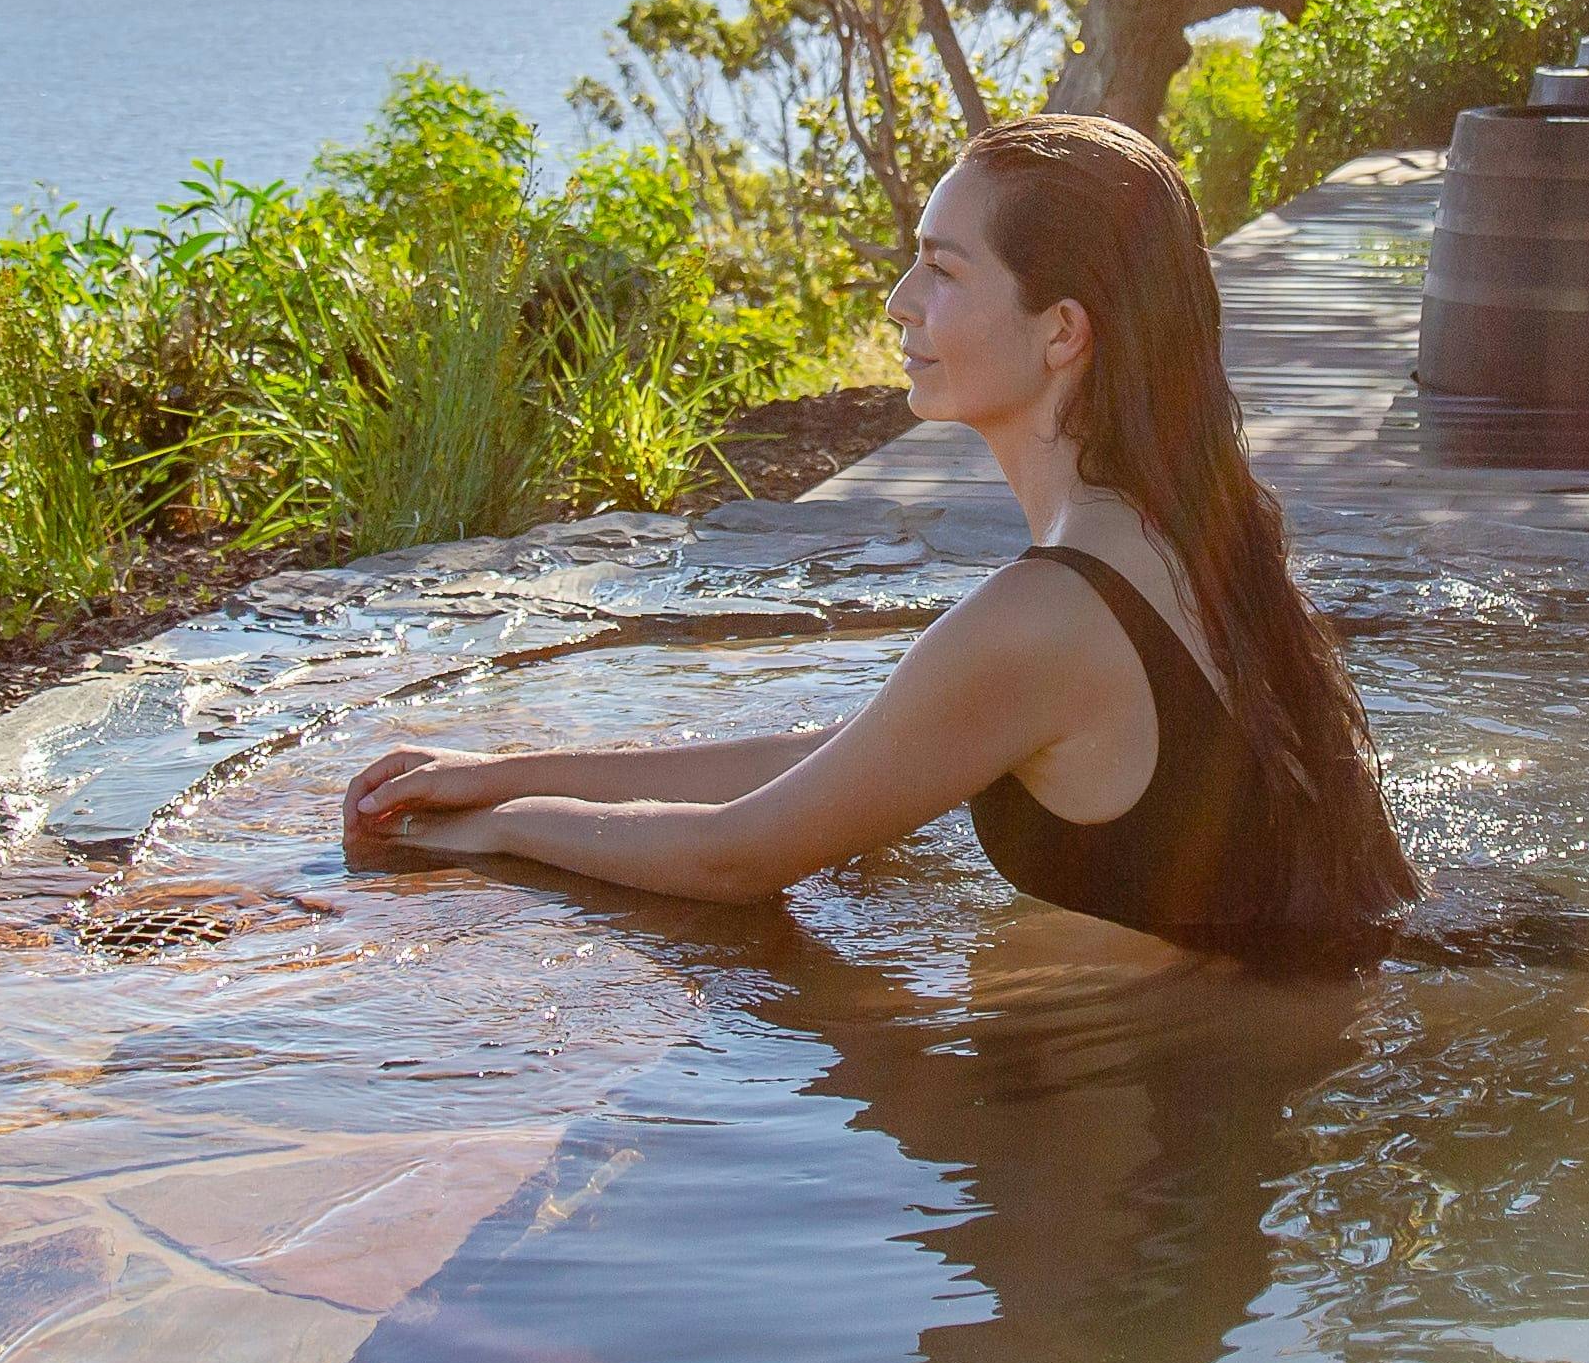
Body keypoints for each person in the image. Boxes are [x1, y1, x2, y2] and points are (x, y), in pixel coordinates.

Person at [340, 112, 1425, 968]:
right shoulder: (1174, 530)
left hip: (1171, 1145)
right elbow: (844, 762)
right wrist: (505, 773)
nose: (902, 303)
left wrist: (495, 832)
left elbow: (741, 857)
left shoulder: (1048, 615)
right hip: (1276, 1068)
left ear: (1063, 330)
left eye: (943, 271)